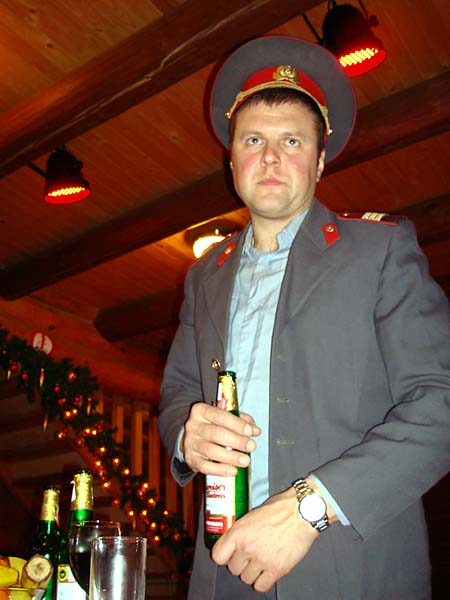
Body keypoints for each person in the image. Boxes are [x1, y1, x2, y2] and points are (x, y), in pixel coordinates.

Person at [158, 36, 450, 600]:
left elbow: (441, 401)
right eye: (253, 140)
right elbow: (178, 392)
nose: (270, 157)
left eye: (291, 141)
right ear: (232, 161)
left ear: (318, 161)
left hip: (352, 569)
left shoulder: (380, 250)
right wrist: (185, 436)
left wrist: (310, 507)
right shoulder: (203, 276)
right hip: (223, 568)